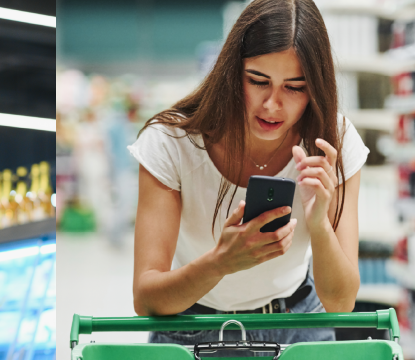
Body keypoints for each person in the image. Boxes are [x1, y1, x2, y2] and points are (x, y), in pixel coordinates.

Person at [128, 0, 369, 349]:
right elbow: (145, 299)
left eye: (294, 87)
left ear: (316, 88)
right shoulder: (171, 142)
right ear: (232, 71)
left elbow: (341, 302)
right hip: (188, 329)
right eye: (258, 80)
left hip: (298, 326)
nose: (272, 104)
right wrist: (219, 263)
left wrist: (319, 224)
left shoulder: (333, 142)